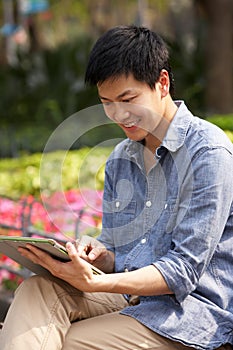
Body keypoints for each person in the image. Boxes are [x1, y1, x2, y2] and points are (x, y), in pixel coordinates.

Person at [0, 25, 233, 350]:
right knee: (36, 290)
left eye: (128, 99)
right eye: (107, 102)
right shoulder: (121, 158)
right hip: (129, 298)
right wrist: (98, 255)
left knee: (66, 343)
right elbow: (118, 249)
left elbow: (184, 270)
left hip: (187, 316)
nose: (118, 114)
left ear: (162, 83)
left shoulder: (207, 152)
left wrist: (99, 283)